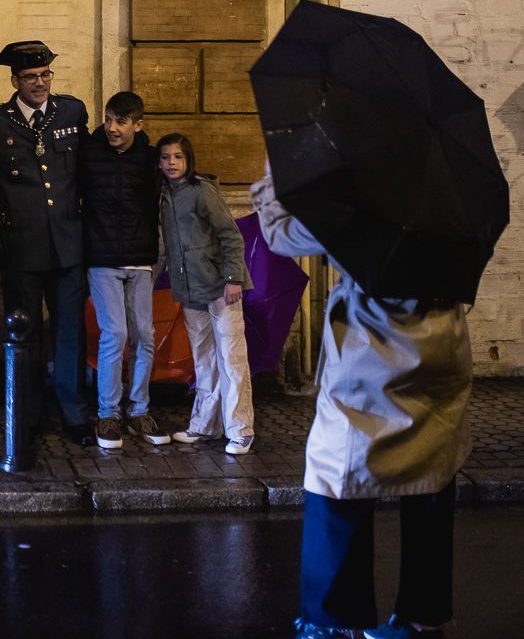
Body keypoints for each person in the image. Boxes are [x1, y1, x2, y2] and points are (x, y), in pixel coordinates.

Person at [253, 167, 472, 639]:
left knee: (337, 478)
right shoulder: (450, 193)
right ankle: (423, 615)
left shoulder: (363, 197)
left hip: (371, 353)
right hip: (440, 347)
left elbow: (281, 234)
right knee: (432, 474)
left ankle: (333, 620)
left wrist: (272, 181)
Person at [0, 40, 92, 449]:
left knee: (69, 330)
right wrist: (3, 203)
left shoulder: (72, 112)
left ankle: (75, 414)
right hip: (21, 244)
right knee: (25, 333)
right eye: (30, 77)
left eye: (45, 75)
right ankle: (28, 411)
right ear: (15, 80)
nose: (40, 83)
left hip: (68, 243)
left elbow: (86, 167)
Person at [79, 90, 169, 450]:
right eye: (108, 119)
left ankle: (140, 409)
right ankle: (108, 415)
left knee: (144, 335)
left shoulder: (150, 159)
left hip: (141, 259)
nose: (112, 127)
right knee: (114, 333)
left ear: (138, 124)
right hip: (102, 259)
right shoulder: (88, 153)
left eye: (121, 121)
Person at [156, 133, 255, 455]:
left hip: (218, 288)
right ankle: (205, 425)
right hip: (190, 290)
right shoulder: (164, 195)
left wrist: (232, 278)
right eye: (166, 157)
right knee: (204, 362)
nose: (171, 163)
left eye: (178, 157)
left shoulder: (202, 192)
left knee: (232, 359)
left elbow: (231, 235)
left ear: (188, 160)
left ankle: (241, 430)